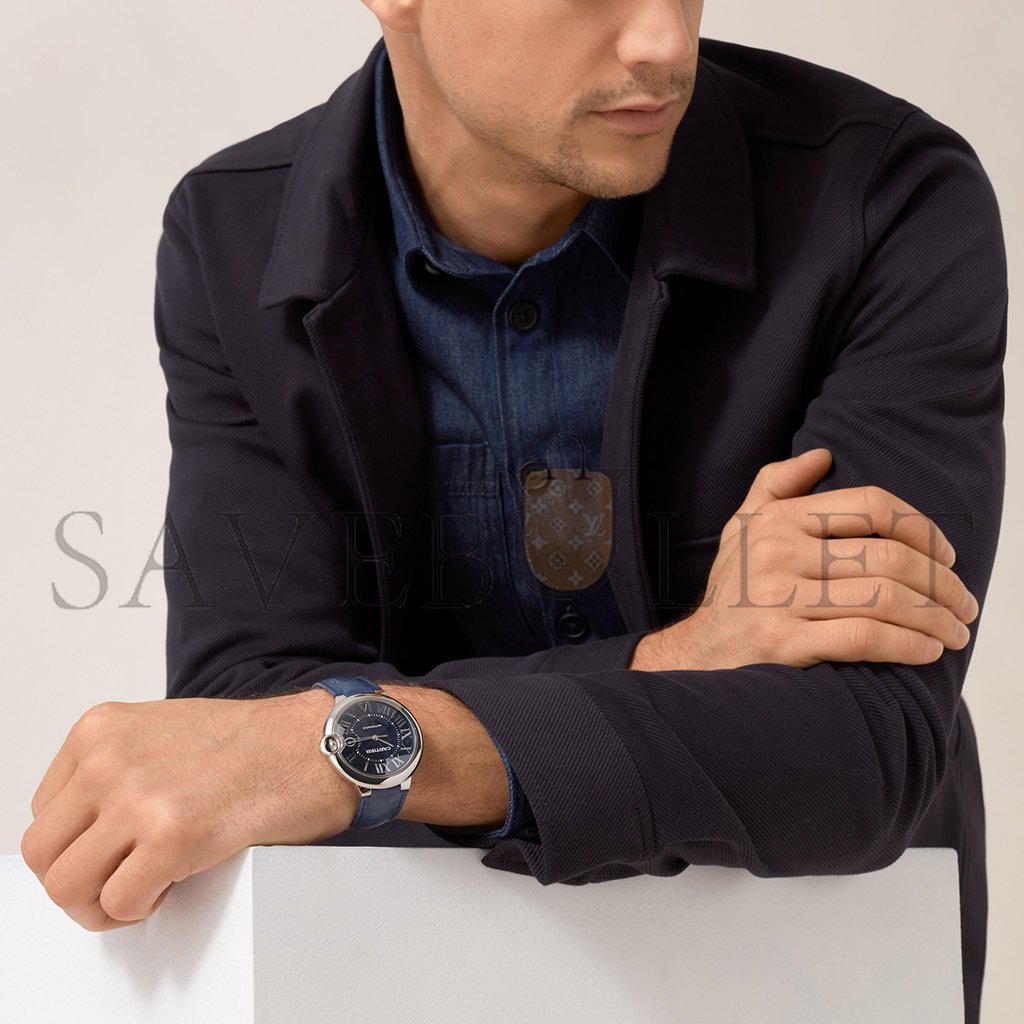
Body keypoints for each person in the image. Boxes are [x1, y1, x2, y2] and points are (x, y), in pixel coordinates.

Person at [21, 3, 1005, 1023]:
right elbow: (244, 718)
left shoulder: (883, 194)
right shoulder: (232, 235)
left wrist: (358, 748)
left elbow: (858, 747)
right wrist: (672, 661)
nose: (665, 42)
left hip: (815, 976)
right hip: (409, 985)